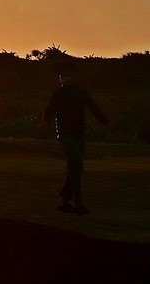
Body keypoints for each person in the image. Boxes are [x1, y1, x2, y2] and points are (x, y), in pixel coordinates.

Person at [39, 61, 108, 215]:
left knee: (75, 167)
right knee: (76, 165)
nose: (64, 77)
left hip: (79, 134)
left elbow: (94, 107)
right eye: (62, 75)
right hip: (65, 134)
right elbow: (49, 109)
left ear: (73, 77)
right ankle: (78, 203)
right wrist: (45, 121)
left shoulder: (82, 93)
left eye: (67, 75)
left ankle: (65, 199)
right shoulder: (58, 94)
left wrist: (104, 121)